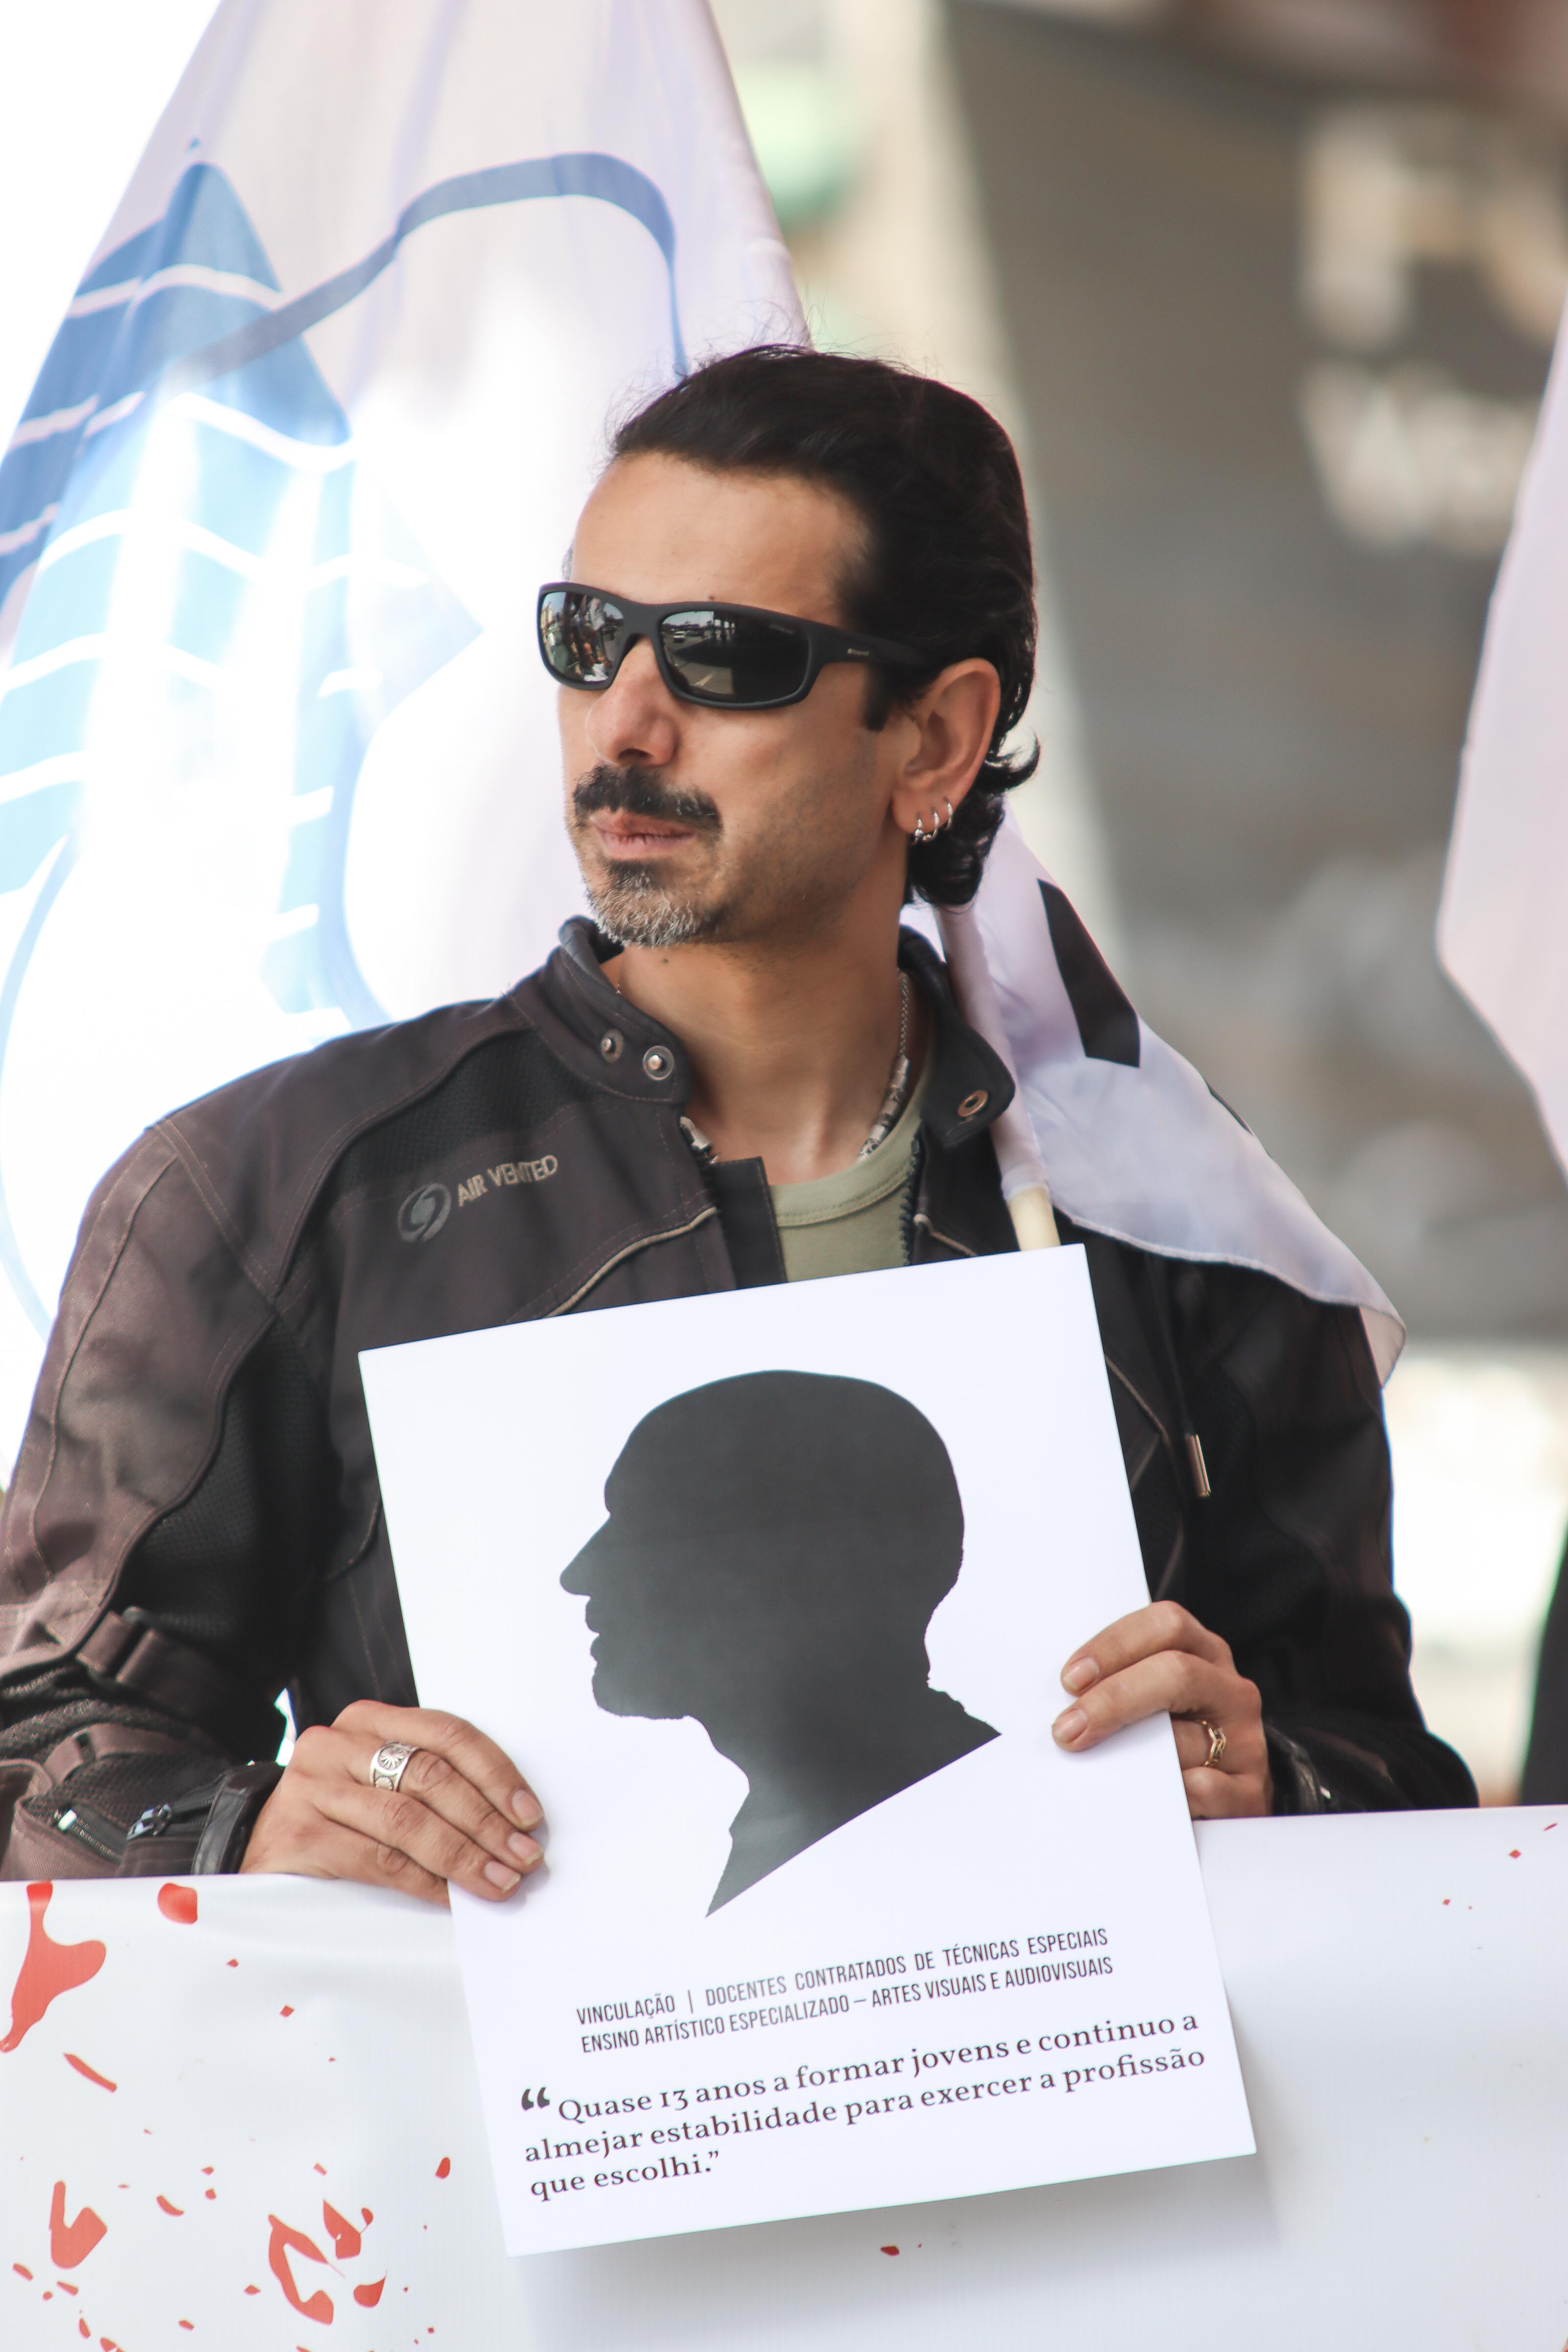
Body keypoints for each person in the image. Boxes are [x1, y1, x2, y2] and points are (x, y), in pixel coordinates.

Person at [0, 346, 1474, 1896]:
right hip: (498, 2066)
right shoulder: (278, 1194)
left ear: (934, 738)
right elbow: (40, 1736)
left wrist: (1271, 1785)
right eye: (589, 640)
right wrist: (245, 1830)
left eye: (722, 659)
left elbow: (1408, 1801)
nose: (626, 726)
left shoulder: (1164, 1203)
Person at [561, 1372, 998, 1911]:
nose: (578, 1574)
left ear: (799, 1570)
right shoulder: (944, 1802)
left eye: (645, 1528)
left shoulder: (980, 1830)